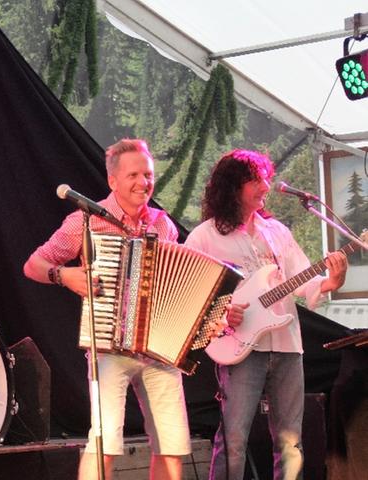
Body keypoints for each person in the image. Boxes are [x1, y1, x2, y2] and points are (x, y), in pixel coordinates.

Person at [24, 138, 190, 480]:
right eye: (133, 175)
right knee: (105, 442)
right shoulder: (84, 222)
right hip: (108, 346)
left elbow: (178, 283)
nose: (143, 182)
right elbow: (33, 265)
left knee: (171, 446)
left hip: (159, 347)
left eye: (148, 174)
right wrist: (63, 274)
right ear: (113, 181)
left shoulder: (163, 224)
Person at [184, 149, 347, 480]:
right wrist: (221, 313)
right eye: (257, 180)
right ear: (233, 186)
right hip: (240, 348)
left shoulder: (277, 232)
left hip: (287, 346)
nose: (266, 186)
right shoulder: (206, 236)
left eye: (266, 178)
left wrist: (332, 280)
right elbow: (186, 290)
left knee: (291, 442)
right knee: (233, 440)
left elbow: (302, 279)